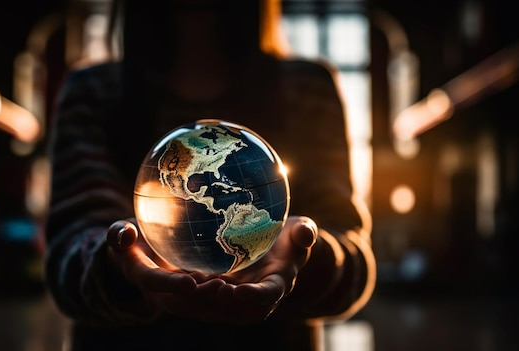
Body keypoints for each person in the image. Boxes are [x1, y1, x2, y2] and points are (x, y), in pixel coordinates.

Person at [44, 0, 376, 350]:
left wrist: (307, 253)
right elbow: (68, 265)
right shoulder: (93, 92)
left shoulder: (307, 88)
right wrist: (117, 266)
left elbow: (353, 268)